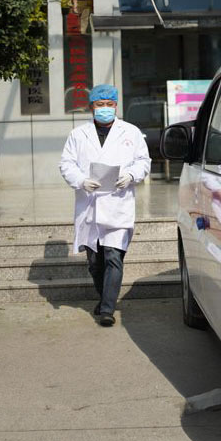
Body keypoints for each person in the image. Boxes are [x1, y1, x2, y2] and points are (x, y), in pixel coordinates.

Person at [59, 84, 151, 326]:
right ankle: (105, 299)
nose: (105, 109)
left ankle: (107, 310)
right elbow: (66, 164)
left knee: (113, 257)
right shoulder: (78, 135)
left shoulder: (130, 132)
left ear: (116, 106)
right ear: (91, 107)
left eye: (109, 105)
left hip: (118, 204)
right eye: (100, 105)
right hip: (89, 205)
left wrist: (131, 175)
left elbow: (143, 161)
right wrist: (81, 180)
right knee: (94, 262)